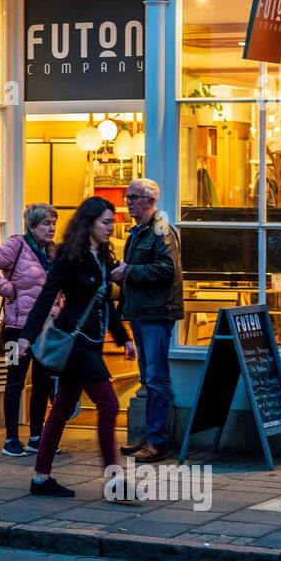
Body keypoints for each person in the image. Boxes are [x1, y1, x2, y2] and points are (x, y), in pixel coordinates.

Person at [18, 197, 136, 497]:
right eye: (106, 222)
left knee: (61, 408)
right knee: (108, 404)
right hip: (75, 340)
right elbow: (47, 295)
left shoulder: (102, 256)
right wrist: (27, 336)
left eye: (112, 222)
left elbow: (103, 301)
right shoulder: (71, 256)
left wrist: (123, 338)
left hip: (90, 342)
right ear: (89, 223)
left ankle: (41, 478)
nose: (111, 227)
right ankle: (114, 480)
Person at [0, 203, 63, 457]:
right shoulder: (16, 246)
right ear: (32, 225)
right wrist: (9, 290)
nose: (51, 228)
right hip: (16, 329)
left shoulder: (52, 252)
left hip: (45, 330)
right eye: (46, 223)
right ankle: (11, 438)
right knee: (15, 380)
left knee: (43, 381)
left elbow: (58, 286)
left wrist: (57, 307)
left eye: (53, 223)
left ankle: (37, 436)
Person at [111, 178, 183, 463]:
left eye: (133, 197)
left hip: (156, 313)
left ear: (149, 201)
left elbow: (167, 269)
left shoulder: (161, 230)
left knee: (156, 379)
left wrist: (128, 271)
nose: (128, 201)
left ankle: (157, 441)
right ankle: (150, 437)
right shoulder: (137, 232)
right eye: (127, 196)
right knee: (147, 378)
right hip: (141, 312)